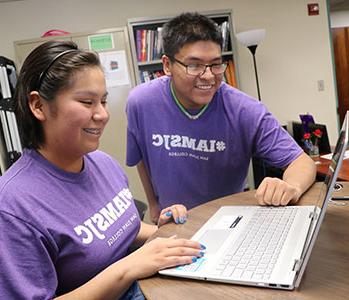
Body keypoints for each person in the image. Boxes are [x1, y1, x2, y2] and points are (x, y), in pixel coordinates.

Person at [0, 40, 205, 299]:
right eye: (87, 102)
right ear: (38, 106)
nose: (103, 115)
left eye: (104, 101)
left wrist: (165, 233)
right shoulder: (13, 205)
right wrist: (127, 268)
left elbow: (123, 232)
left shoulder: (103, 162)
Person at [126, 12, 316, 223]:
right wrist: (153, 204)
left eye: (216, 64)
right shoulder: (141, 102)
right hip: (173, 223)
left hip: (230, 222)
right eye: (194, 65)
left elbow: (302, 162)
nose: (208, 76)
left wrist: (291, 187)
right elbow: (141, 156)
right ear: (167, 65)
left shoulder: (245, 110)